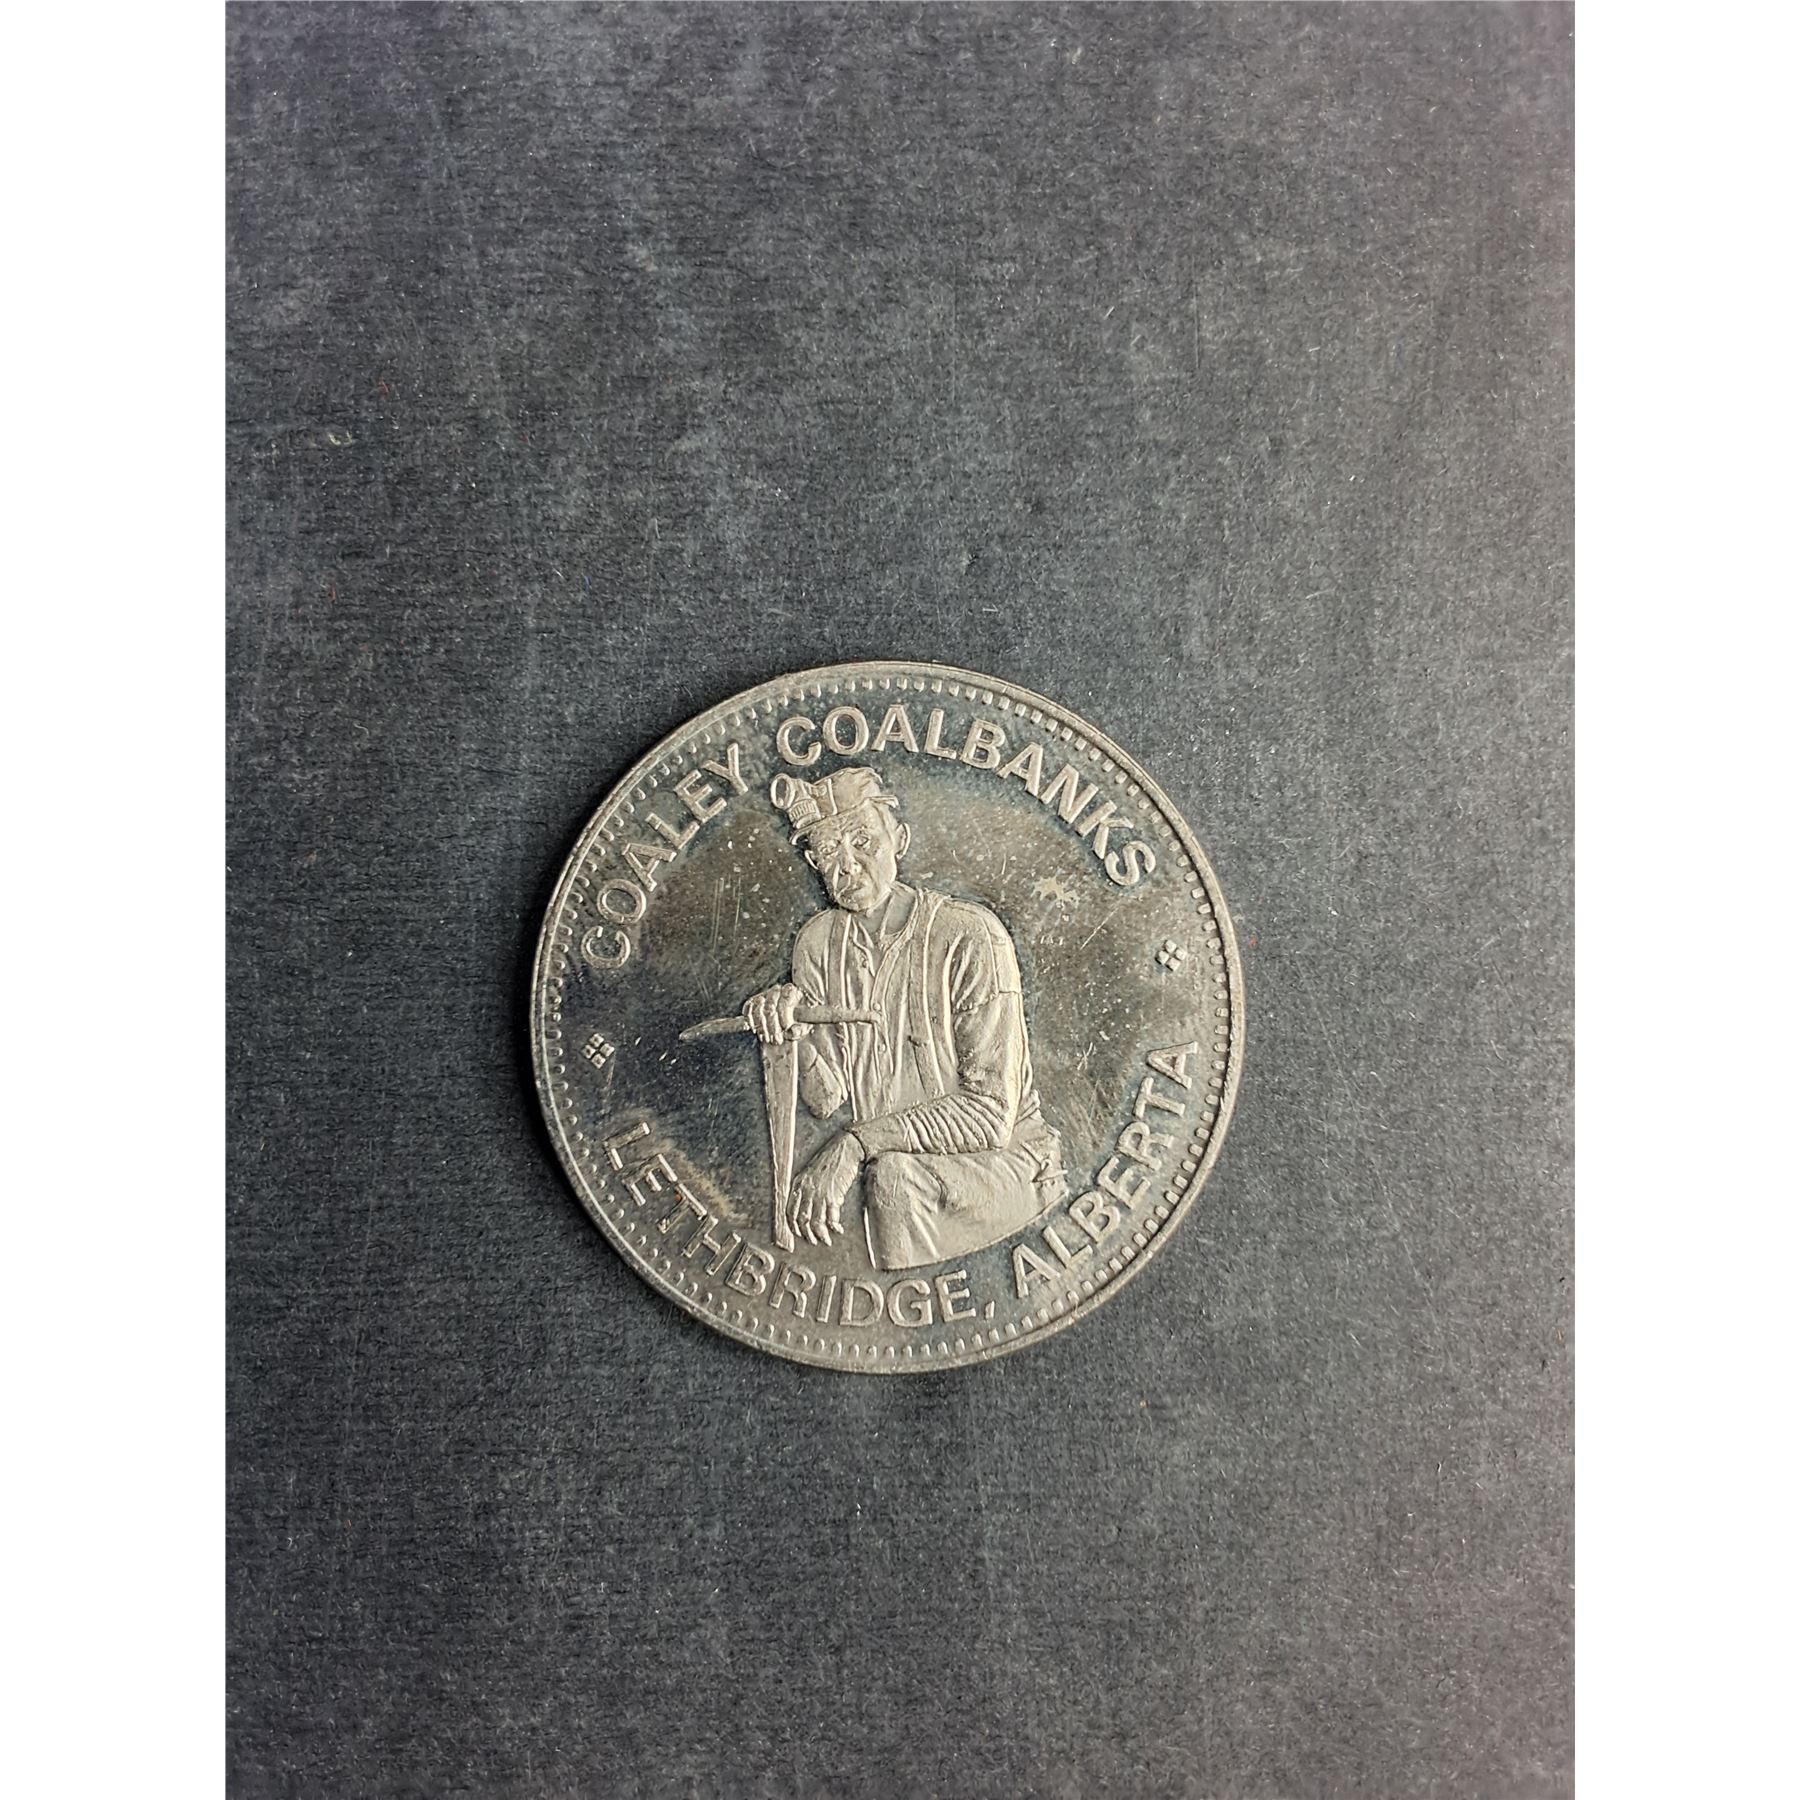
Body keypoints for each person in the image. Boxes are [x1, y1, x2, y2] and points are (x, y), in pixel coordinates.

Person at [743, 765, 1066, 1270]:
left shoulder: (968, 933)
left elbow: (989, 1116)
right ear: (813, 862)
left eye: (862, 842)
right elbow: (826, 1099)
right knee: (892, 1175)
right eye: (828, 852)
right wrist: (791, 1029)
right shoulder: (818, 943)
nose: (847, 866)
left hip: (1005, 1168)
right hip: (896, 1168)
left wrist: (855, 1145)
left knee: (893, 1176)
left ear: (899, 839)